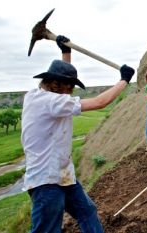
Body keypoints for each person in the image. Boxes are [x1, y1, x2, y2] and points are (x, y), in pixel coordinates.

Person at [21, 35, 135, 233]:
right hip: (46, 180)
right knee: (47, 229)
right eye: (69, 85)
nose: (71, 90)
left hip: (63, 175)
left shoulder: (38, 96)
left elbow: (63, 78)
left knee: (87, 212)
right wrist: (124, 80)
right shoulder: (51, 102)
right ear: (57, 84)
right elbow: (100, 102)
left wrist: (66, 52)